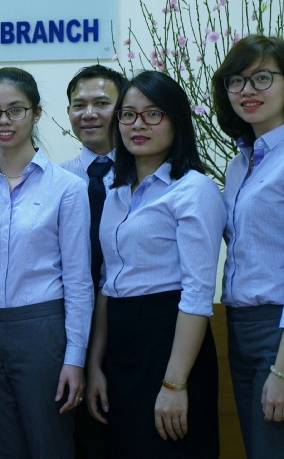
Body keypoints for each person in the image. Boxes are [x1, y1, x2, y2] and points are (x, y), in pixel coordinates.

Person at [86, 71, 223, 459]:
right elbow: (108, 281)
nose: (138, 125)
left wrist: (175, 384)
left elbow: (197, 292)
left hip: (170, 338)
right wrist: (95, 366)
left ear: (176, 121)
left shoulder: (194, 189)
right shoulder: (116, 191)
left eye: (153, 114)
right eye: (128, 114)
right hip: (120, 341)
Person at [212, 35, 284, 459]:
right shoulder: (238, 164)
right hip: (240, 328)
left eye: (262, 78)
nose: (248, 90)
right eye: (236, 81)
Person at [0, 67, 92, 459]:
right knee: (5, 447)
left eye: (15, 110)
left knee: (49, 444)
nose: (3, 121)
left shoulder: (67, 188)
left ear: (36, 113)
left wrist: (75, 359)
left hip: (43, 333)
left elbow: (79, 281)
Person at [60, 64, 127, 459]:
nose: (89, 113)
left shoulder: (147, 178)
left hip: (132, 327)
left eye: (101, 103)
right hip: (71, 332)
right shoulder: (55, 180)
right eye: (78, 104)